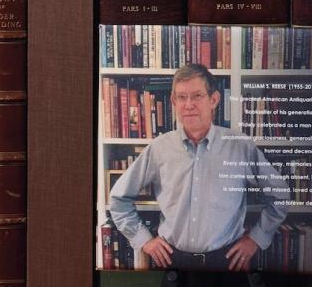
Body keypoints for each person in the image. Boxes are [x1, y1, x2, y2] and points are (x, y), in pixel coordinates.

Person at [109, 63, 290, 272]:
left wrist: (257, 238)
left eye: (197, 96)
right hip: (171, 263)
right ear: (173, 102)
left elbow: (280, 195)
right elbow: (118, 200)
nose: (189, 105)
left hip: (228, 262)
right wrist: (144, 240)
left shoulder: (240, 147)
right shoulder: (159, 148)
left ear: (214, 100)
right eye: (182, 97)